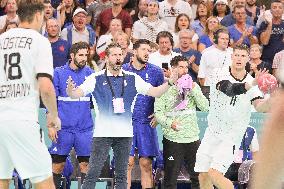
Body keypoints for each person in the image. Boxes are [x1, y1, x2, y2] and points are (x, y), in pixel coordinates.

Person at [66, 43, 178, 189]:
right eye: (114, 55)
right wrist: (70, 91)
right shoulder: (95, 78)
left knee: (121, 176)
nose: (118, 58)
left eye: (120, 55)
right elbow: (76, 94)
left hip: (125, 134)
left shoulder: (132, 78)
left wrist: (169, 82)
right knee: (93, 172)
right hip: (103, 134)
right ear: (106, 58)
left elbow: (155, 92)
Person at [0, 0, 61, 188]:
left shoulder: (1, 40)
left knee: (2, 180)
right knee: (45, 183)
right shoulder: (39, 41)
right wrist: (53, 115)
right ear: (38, 16)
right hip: (22, 120)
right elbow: (45, 86)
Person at [194, 44, 271, 189]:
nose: (239, 58)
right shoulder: (218, 73)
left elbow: (259, 106)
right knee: (203, 174)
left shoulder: (251, 83)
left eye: (243, 56)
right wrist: (252, 83)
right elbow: (229, 89)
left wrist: (271, 101)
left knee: (214, 173)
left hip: (231, 137)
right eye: (236, 55)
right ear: (231, 57)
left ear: (248, 59)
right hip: (212, 132)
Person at [155, 55, 209, 189]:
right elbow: (158, 113)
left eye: (186, 67)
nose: (185, 70)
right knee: (170, 179)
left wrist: (194, 89)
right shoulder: (164, 88)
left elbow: (205, 107)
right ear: (173, 69)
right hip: (173, 140)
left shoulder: (193, 86)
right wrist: (170, 124)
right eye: (181, 67)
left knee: (198, 178)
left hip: (193, 139)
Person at [48, 42, 94, 189]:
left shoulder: (90, 74)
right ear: (72, 55)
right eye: (81, 55)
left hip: (84, 129)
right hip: (63, 129)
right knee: (58, 166)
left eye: (86, 55)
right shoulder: (59, 73)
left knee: (86, 165)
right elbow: (51, 100)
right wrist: (51, 125)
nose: (84, 58)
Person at [123, 39, 164, 189]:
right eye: (144, 50)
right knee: (127, 163)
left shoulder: (156, 72)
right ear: (134, 51)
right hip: (125, 122)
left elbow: (163, 95)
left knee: (146, 163)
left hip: (146, 122)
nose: (147, 53)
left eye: (149, 50)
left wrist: (159, 113)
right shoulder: (122, 70)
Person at [258, 0, 284, 72]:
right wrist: (270, 24)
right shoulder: (264, 24)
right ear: (271, 11)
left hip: (281, 62)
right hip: (267, 61)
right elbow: (264, 42)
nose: (277, 9)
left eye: (280, 7)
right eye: (274, 7)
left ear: (283, 10)